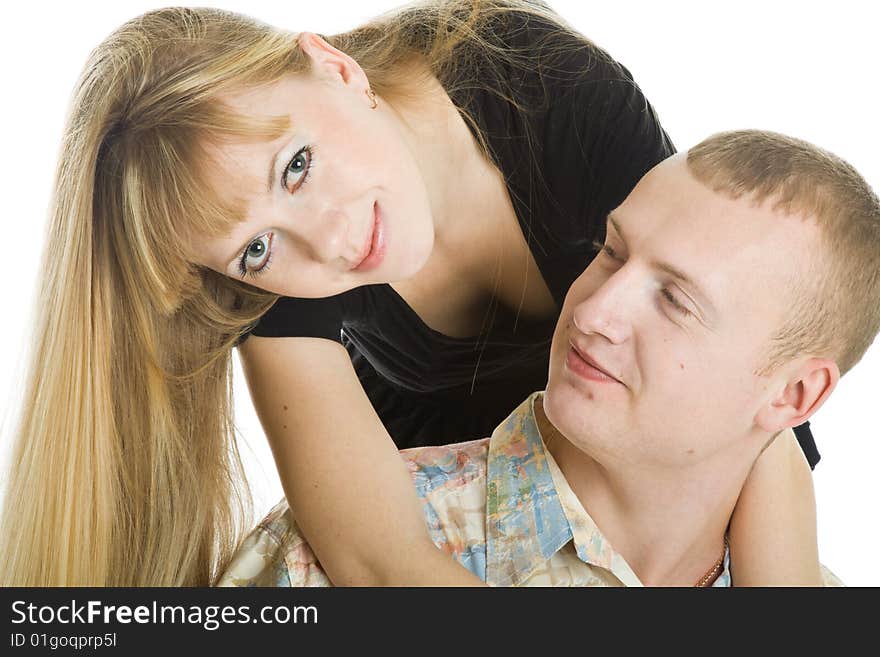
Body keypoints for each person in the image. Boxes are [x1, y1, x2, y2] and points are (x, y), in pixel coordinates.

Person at [0, 1, 821, 586]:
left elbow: (748, 398)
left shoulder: (541, 84)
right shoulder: (279, 293)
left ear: (334, 65)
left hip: (675, 517)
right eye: (254, 247)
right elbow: (377, 560)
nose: (327, 238)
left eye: (298, 164)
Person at [218, 130, 878, 587]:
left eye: (675, 300)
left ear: (794, 397)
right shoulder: (316, 566)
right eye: (610, 251)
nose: (591, 312)